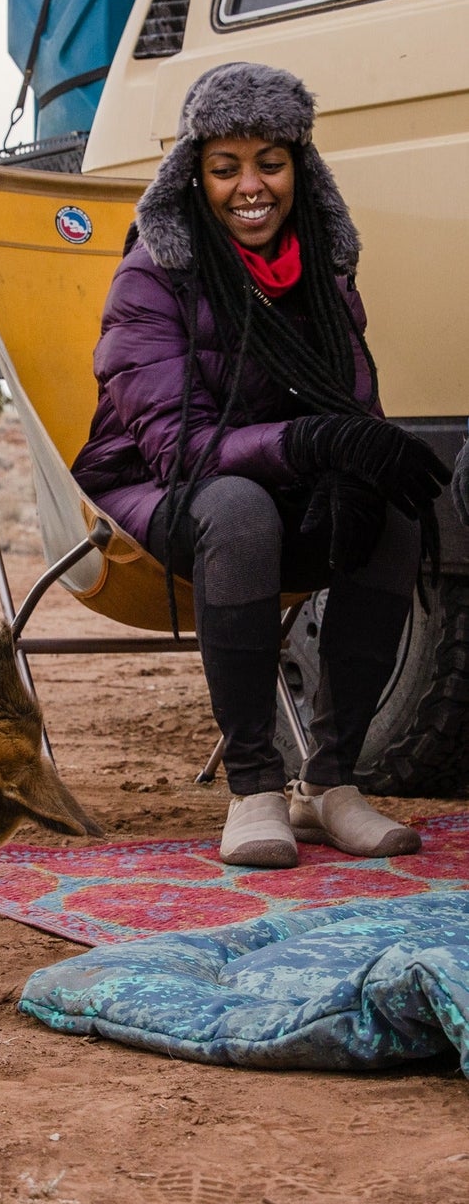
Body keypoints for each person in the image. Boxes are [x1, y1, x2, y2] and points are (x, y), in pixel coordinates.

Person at [72, 62, 449, 868]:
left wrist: (354, 462)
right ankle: (253, 787)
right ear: (195, 176)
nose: (252, 186)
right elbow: (179, 448)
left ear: (298, 169)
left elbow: (353, 411)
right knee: (237, 506)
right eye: (226, 167)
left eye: (270, 162)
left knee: (392, 509)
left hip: (277, 489)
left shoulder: (322, 270)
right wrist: (313, 445)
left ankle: (330, 785)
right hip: (164, 489)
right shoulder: (153, 275)